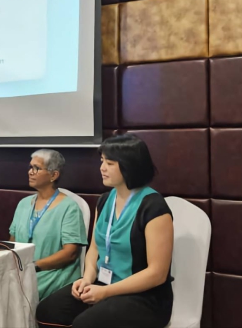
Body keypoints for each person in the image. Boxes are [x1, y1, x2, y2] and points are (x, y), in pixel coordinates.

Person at [36, 134, 174, 328]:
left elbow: (157, 273)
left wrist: (105, 293)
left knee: (87, 323)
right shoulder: (104, 200)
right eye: (102, 161)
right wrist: (87, 279)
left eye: (109, 163)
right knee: (48, 311)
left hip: (145, 297)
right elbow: (94, 249)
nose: (102, 168)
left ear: (129, 166)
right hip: (103, 283)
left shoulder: (153, 207)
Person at [9, 149, 88, 300]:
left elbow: (70, 253)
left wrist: (33, 266)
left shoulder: (69, 208)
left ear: (54, 175)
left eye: (36, 168)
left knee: (8, 296)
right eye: (30, 167)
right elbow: (12, 242)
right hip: (22, 272)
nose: (30, 172)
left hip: (53, 275)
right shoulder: (23, 204)